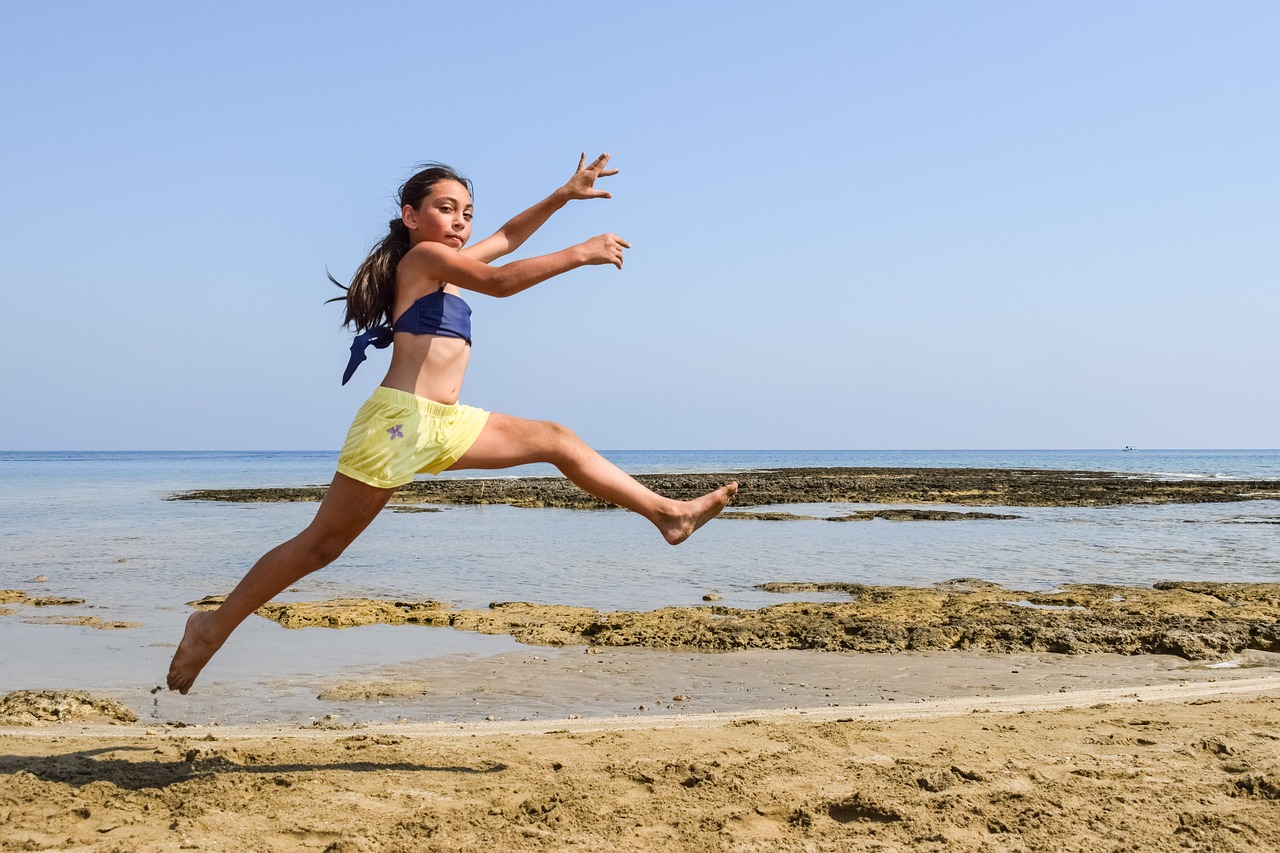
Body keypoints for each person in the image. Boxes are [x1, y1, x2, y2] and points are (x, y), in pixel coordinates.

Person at [167, 153, 738, 694]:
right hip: (397, 424)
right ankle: (212, 627)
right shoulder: (423, 261)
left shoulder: (451, 265)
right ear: (410, 217)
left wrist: (564, 195)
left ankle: (668, 514)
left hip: (445, 422)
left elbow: (509, 237)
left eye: (467, 214)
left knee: (558, 441)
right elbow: (503, 280)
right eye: (446, 208)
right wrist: (581, 252)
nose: (460, 222)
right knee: (321, 547)